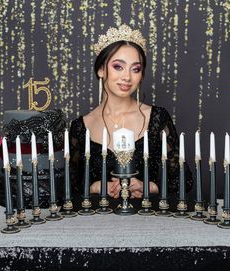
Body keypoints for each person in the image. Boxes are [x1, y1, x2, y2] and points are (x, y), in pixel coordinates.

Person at [70, 24, 193, 198]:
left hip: (147, 218)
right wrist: (95, 187)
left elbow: (184, 181)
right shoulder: (80, 127)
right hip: (98, 221)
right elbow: (68, 187)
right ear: (101, 70)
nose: (127, 77)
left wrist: (149, 187)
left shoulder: (157, 118)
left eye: (135, 69)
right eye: (118, 67)